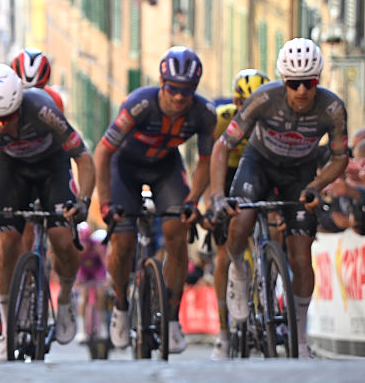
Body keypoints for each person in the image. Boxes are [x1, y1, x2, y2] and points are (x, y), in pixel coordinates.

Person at [209, 38, 349, 359]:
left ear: (318, 81)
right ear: (284, 82)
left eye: (309, 83)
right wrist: (218, 196)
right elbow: (223, 147)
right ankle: (238, 272)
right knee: (240, 221)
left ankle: (299, 338)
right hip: (259, 164)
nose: (302, 91)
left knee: (301, 256)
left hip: (299, 172)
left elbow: (340, 158)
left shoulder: (332, 108)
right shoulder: (263, 99)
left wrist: (316, 185)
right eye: (294, 83)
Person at [0, 63, 95, 362]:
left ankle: (64, 297)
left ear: (20, 104)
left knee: (63, 237)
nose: (1, 126)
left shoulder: (43, 110)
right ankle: (4, 331)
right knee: (6, 242)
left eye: (8, 118)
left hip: (53, 167)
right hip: (12, 170)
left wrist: (84, 201)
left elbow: (84, 157)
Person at [96, 46, 213, 355]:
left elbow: (205, 162)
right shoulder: (139, 105)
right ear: (162, 84)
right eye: (173, 88)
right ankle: (121, 305)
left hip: (165, 168)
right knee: (122, 242)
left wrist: (193, 201)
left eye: (186, 91)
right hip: (124, 168)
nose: (178, 97)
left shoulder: (203, 113)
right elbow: (103, 151)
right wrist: (106, 202)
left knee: (176, 234)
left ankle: (172, 318)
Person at [207, 68, 268, 359]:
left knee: (277, 230)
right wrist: (212, 201)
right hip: (227, 172)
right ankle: (222, 331)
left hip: (260, 171)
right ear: (235, 101)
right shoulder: (222, 118)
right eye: (246, 103)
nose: (252, 110)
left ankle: (270, 289)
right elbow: (208, 162)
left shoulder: (273, 117)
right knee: (223, 254)